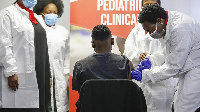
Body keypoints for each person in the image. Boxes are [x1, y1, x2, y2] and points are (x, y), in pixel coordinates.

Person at [132, 4, 200, 112]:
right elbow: (167, 53)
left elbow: (173, 66)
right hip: (189, 69)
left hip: (196, 70)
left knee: (184, 108)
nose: (150, 34)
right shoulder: (166, 25)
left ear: (159, 20)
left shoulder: (180, 28)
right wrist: (151, 60)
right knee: (178, 106)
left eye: (150, 30)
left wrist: (145, 75)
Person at [124, 0, 178, 112]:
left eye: (152, 5)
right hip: (142, 82)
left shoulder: (166, 28)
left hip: (162, 83)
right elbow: (127, 51)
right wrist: (139, 55)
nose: (148, 7)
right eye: (146, 5)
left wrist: (151, 59)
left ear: (158, 7)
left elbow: (168, 54)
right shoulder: (136, 30)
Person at [0, 0, 51, 111]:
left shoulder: (36, 17)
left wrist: (49, 73)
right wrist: (11, 72)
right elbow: (4, 44)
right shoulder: (7, 14)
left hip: (41, 73)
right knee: (22, 106)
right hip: (20, 74)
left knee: (41, 105)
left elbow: (45, 47)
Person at [72, 24, 133, 92]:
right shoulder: (125, 64)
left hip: (92, 102)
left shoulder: (80, 66)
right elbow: (128, 88)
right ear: (112, 41)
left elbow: (79, 92)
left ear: (93, 44)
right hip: (118, 102)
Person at [33, 0, 69, 112]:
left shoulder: (63, 32)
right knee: (45, 104)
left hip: (59, 76)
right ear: (41, 12)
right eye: (49, 12)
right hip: (42, 75)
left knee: (60, 105)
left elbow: (67, 55)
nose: (52, 15)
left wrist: (66, 75)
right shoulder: (36, 30)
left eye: (55, 12)